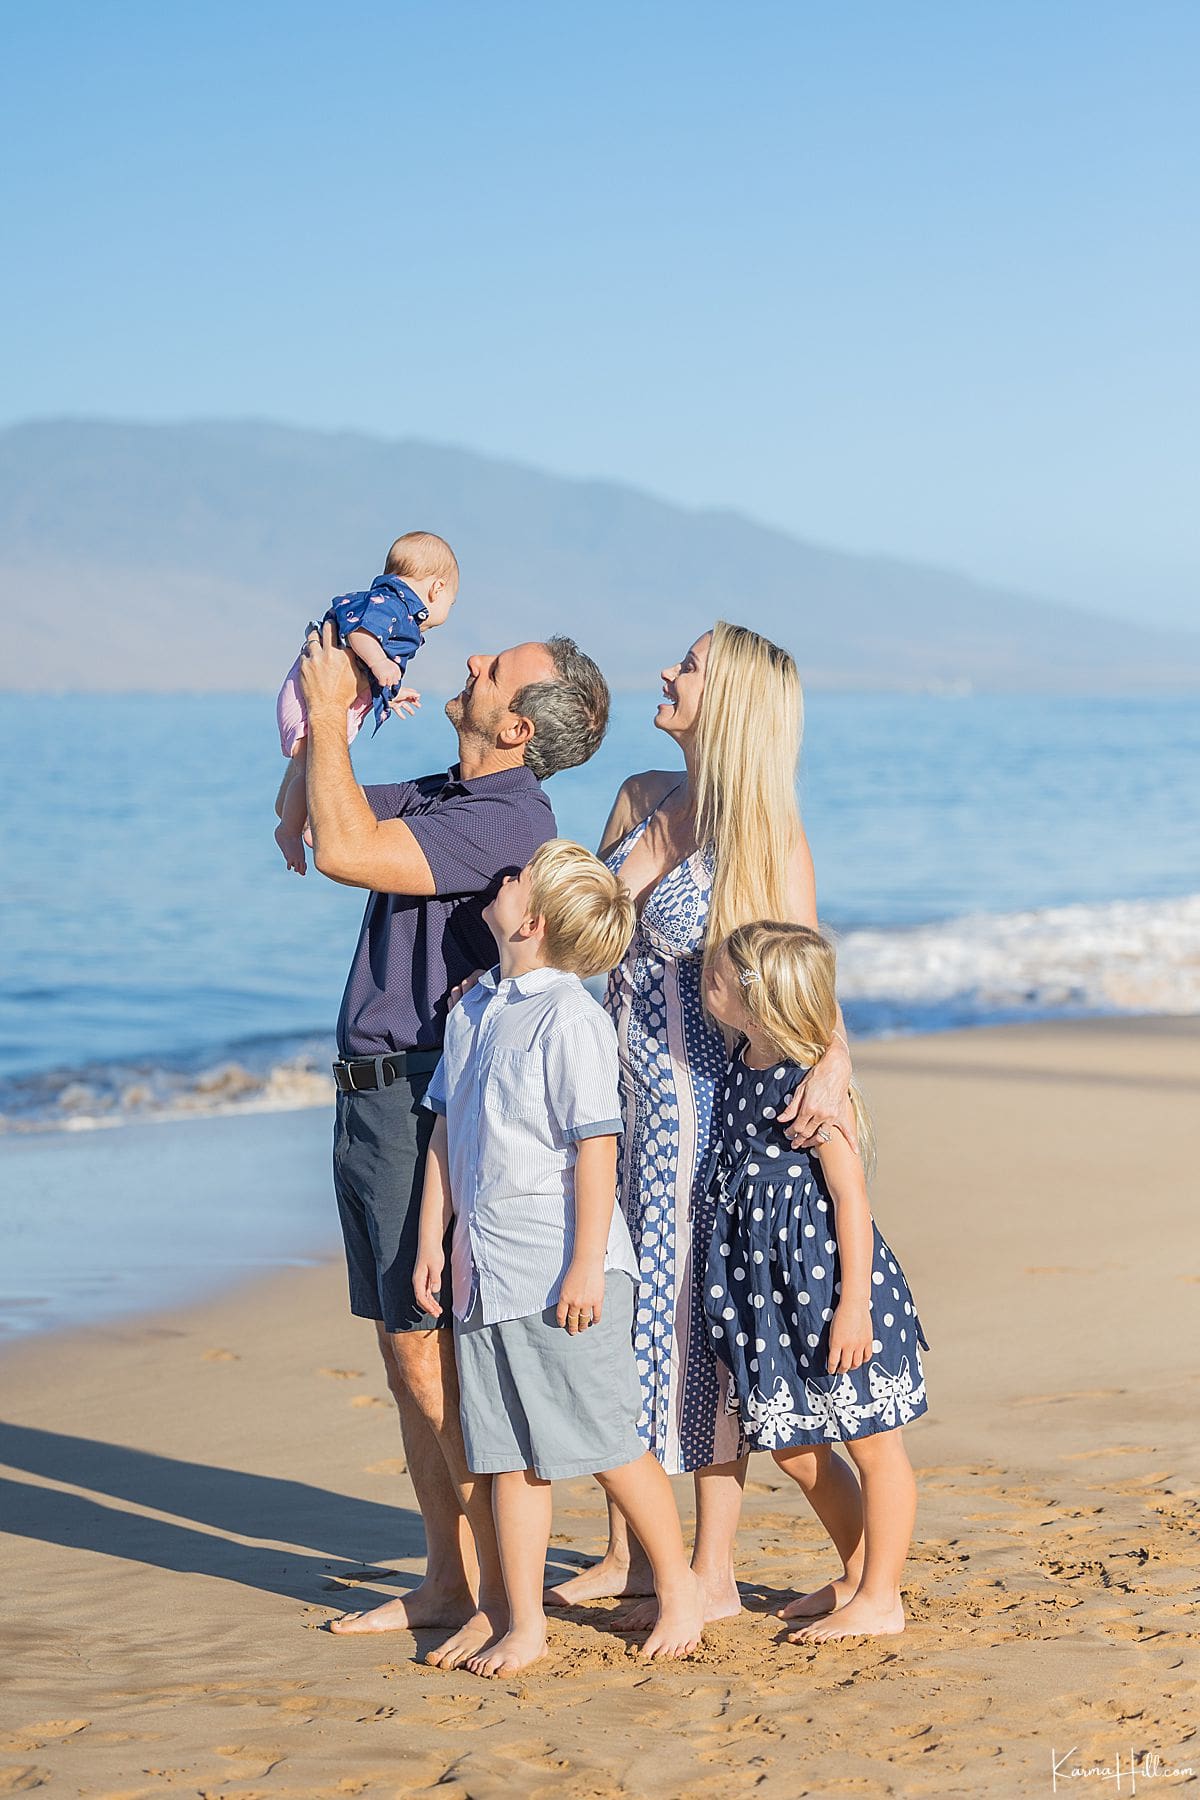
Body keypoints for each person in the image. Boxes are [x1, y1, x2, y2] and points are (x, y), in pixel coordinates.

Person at [296, 623, 610, 1659]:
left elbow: (343, 850)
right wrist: (321, 704)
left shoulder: (506, 817)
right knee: (407, 1353)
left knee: (436, 1357)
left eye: (492, 672)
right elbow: (305, 818)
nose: (468, 664)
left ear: (515, 725)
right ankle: (448, 1580)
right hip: (375, 1090)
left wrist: (335, 715)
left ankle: (480, 1589)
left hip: (423, 1094)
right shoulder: (444, 791)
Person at [546, 620, 856, 1624]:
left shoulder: (763, 835)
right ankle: (635, 1554)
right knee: (617, 1306)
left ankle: (712, 1568)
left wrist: (836, 1068)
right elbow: (583, 940)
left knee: (690, 1329)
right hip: (611, 1100)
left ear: (730, 705)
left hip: (701, 1117)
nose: (666, 673)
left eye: (687, 668)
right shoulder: (641, 797)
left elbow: (810, 985)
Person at [413, 840, 705, 1674]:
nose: (498, 882)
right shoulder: (471, 1010)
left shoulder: (569, 1015)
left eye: (514, 881)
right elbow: (446, 1131)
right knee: (507, 1455)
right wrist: (435, 1237)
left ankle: (678, 1586)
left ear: (533, 922)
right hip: (486, 1269)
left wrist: (585, 1262)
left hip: (562, 1269)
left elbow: (596, 1145)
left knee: (606, 1441)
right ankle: (525, 1625)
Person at [702, 920, 930, 1640]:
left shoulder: (809, 1088)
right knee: (796, 1448)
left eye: (718, 974)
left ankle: (882, 1599)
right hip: (769, 1292)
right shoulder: (739, 1058)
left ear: (757, 998)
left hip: (835, 1286)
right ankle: (861, 1571)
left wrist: (853, 1306)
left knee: (873, 1443)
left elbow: (850, 1198)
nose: (705, 978)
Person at [274, 531, 459, 874]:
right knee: (307, 768)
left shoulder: (393, 606)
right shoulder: (389, 604)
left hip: (320, 690)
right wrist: (380, 664)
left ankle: (305, 818)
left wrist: (390, 689)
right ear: (438, 588)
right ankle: (290, 829)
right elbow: (361, 635)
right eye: (452, 601)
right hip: (310, 692)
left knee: (310, 766)